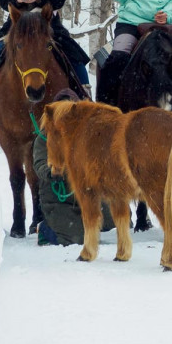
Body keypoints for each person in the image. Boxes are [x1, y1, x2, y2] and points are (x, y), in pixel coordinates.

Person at [32, 89, 113, 245]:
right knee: (76, 239)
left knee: (115, 223)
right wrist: (52, 173)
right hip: (59, 198)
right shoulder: (44, 137)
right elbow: (40, 163)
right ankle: (45, 229)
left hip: (87, 194)